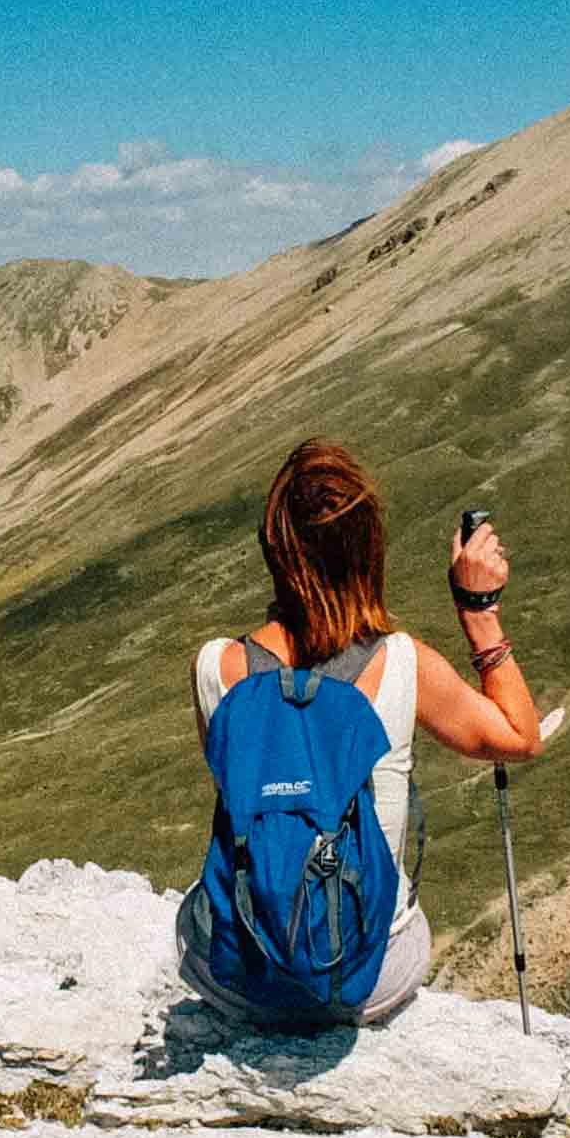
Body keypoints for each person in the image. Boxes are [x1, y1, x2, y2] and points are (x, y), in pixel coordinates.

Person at [175, 437, 545, 1026]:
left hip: (244, 979)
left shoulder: (216, 668)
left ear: (275, 548)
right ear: (369, 550)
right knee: (402, 919)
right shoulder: (402, 662)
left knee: (203, 907)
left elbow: (240, 789)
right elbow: (520, 737)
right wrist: (479, 611)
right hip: (364, 980)